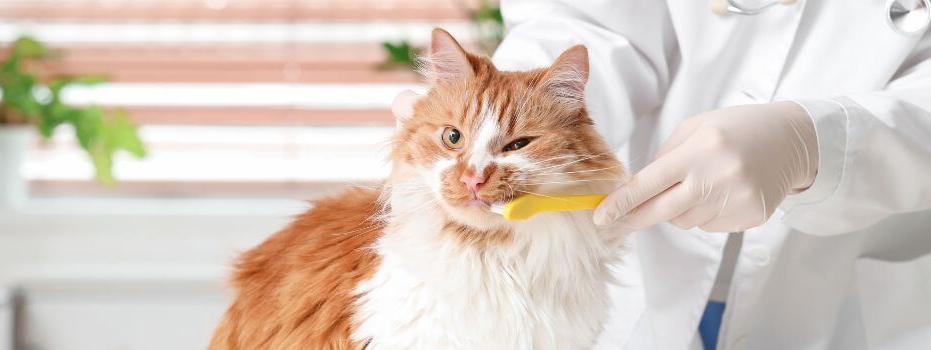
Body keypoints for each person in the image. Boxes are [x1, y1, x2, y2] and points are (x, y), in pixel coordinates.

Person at [393, 1, 931, 349]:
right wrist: (503, 105)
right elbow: (593, 22)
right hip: (653, 271)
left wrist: (815, 142)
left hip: (856, 292)